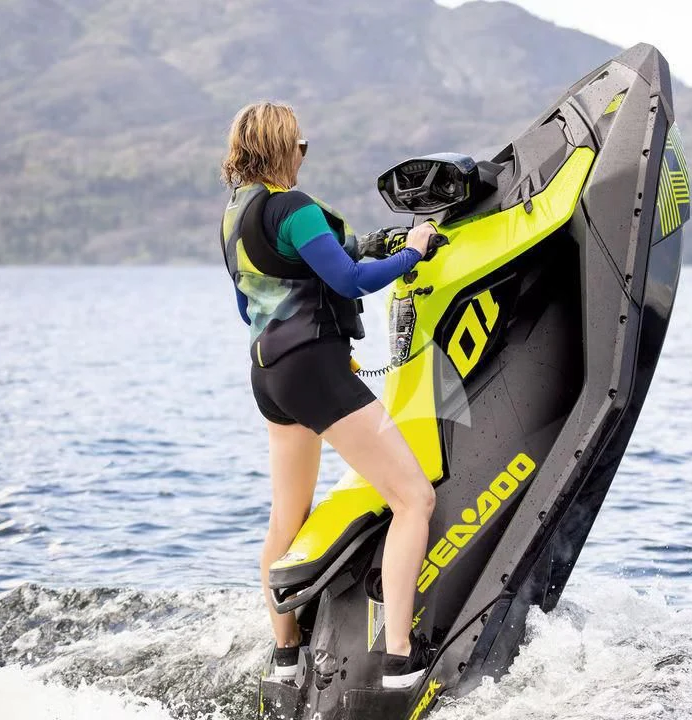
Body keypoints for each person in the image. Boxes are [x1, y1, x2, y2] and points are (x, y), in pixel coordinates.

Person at [218, 101, 438, 690]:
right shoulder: (293, 207)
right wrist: (413, 250)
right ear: (285, 147)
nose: (302, 155)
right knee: (412, 499)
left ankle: (284, 655)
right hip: (314, 369)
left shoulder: (234, 218)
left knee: (285, 518)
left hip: (268, 377)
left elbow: (250, 305)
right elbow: (347, 280)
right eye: (301, 145)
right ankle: (398, 659)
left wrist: (367, 247)